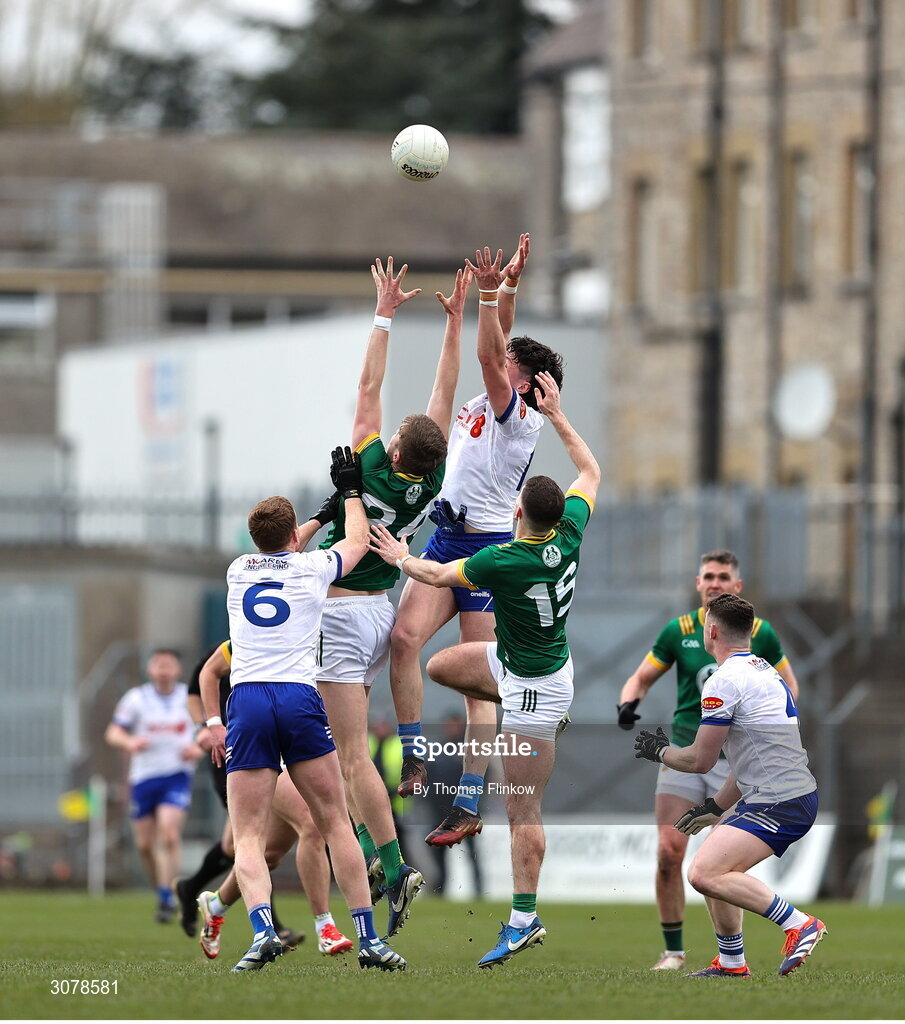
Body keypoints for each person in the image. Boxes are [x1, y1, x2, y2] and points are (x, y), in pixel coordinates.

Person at [370, 370, 600, 968]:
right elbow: (591, 473)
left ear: (518, 510)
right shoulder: (569, 535)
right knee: (443, 664)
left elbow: (438, 576)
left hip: (533, 691)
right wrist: (557, 417)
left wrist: (400, 555)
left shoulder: (505, 560)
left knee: (524, 812)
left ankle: (524, 917)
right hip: (536, 663)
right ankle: (513, 730)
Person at [389, 236, 567, 850]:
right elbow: (499, 344)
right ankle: (414, 758)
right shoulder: (494, 397)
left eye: (511, 361)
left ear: (527, 381)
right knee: (403, 639)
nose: (500, 355)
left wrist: (491, 295)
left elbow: (495, 356)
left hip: (488, 547)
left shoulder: (518, 415)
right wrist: (503, 290)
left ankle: (468, 798)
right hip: (445, 536)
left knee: (475, 677)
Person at [200, 448, 406, 973]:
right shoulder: (314, 569)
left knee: (247, 836)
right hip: (297, 699)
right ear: (295, 537)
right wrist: (352, 494)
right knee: (336, 821)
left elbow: (283, 546)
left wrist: (317, 514)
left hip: (246, 702)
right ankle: (369, 939)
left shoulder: (238, 568)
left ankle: (263, 931)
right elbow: (357, 542)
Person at [315, 256, 465, 935]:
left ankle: (391, 863)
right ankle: (378, 846)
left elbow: (367, 383)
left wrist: (384, 312)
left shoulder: (370, 459)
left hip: (341, 610)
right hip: (374, 608)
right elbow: (442, 399)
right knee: (333, 750)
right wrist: (452, 325)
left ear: (396, 446)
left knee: (346, 756)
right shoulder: (428, 482)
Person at [617, 548, 800, 971]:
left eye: (723, 577)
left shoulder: (760, 634)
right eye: (708, 576)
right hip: (685, 753)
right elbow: (641, 678)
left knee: (718, 862)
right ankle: (674, 952)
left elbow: (789, 688)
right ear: (698, 583)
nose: (714, 583)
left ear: (736, 587)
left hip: (728, 765)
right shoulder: (677, 630)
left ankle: (732, 954)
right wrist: (628, 703)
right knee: (668, 851)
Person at [192, 641, 353, 959]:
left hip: (303, 742)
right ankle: (326, 928)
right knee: (312, 822)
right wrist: (211, 725)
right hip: (261, 744)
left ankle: (216, 905)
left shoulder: (323, 634)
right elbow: (207, 672)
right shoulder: (257, 632)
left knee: (269, 854)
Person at [173, 643, 304, 951]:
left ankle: (195, 890)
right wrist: (204, 726)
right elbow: (195, 690)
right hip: (231, 749)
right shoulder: (226, 649)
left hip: (270, 746)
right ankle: (282, 926)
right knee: (252, 842)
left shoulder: (284, 640)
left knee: (243, 844)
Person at [104, 648, 202, 923]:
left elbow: (208, 729)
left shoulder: (188, 697)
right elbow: (113, 732)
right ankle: (162, 892)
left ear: (178, 670)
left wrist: (197, 748)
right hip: (144, 777)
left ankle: (171, 894)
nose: (163, 669)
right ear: (150, 669)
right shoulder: (137, 698)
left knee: (169, 835)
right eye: (158, 664)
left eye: (168, 664)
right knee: (145, 844)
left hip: (177, 774)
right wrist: (129, 742)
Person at [421, 713, 484, 896]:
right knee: (439, 854)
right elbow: (428, 780)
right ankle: (441, 889)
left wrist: (475, 804)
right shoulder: (438, 750)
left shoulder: (468, 750)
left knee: (472, 854)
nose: (452, 729)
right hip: (440, 812)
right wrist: (431, 802)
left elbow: (482, 778)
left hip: (465, 812)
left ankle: (479, 890)